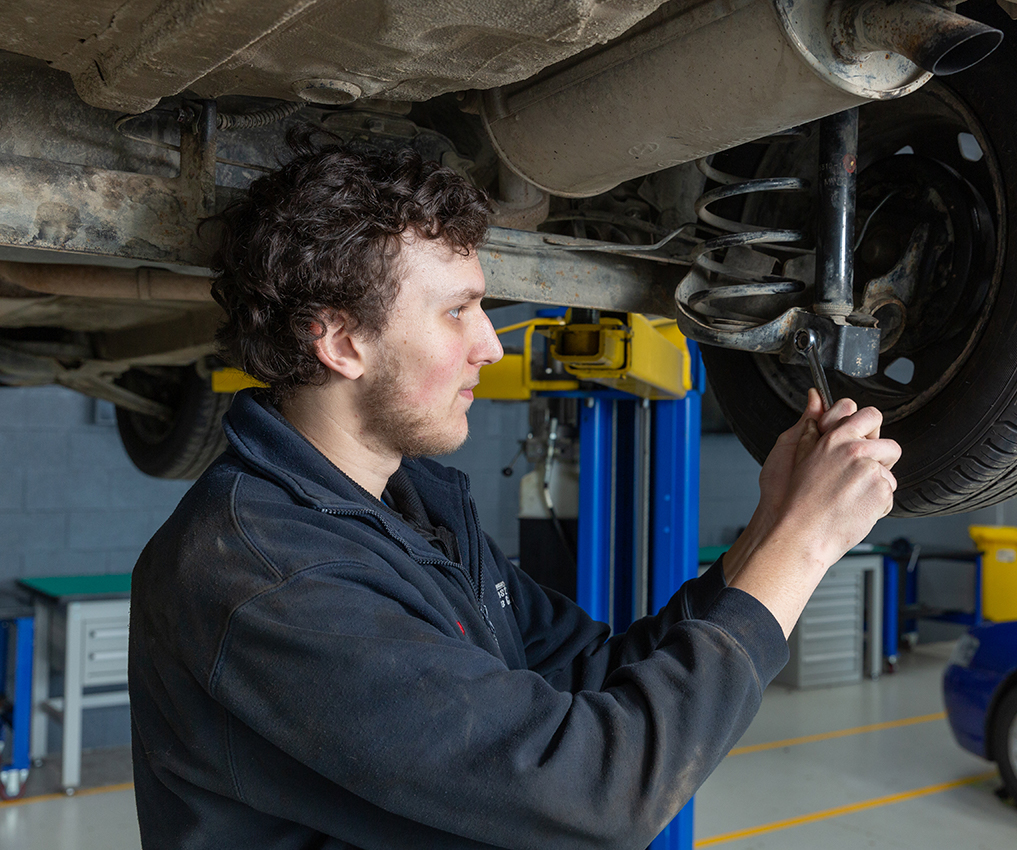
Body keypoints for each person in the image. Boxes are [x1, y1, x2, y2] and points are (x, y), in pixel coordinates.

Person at [128, 137, 901, 850]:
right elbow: (598, 792)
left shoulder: (414, 507)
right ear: (340, 341)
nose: (491, 346)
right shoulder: (263, 573)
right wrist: (805, 544)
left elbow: (590, 674)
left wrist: (772, 523)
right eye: (456, 311)